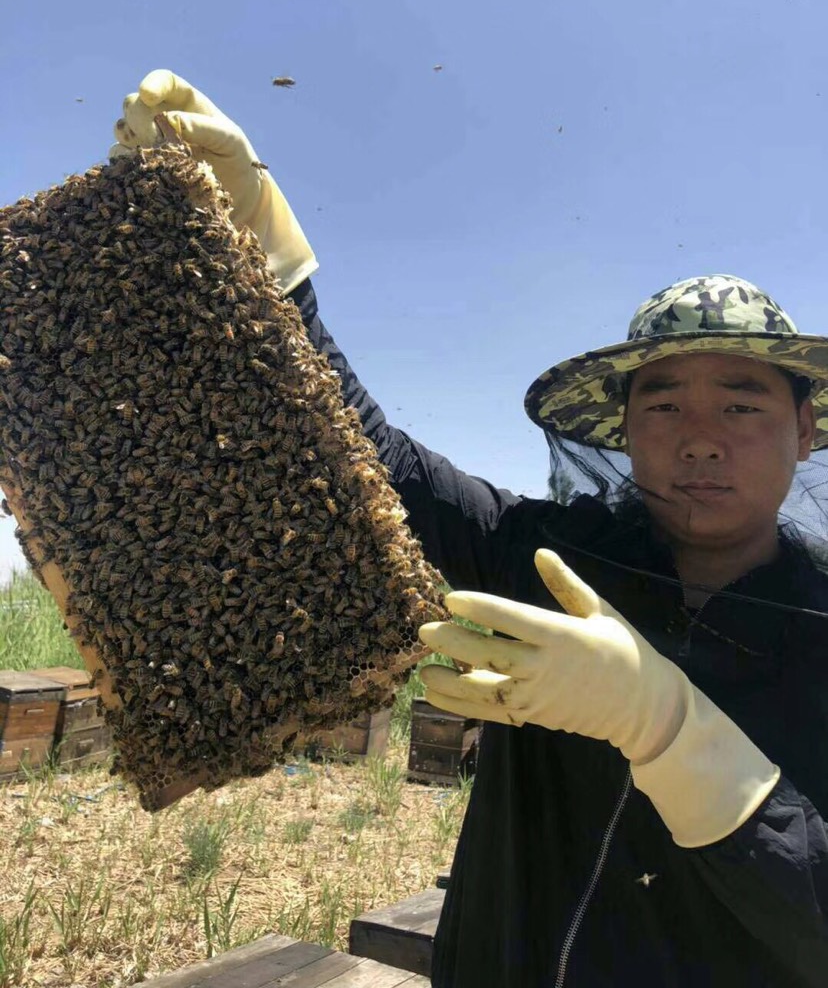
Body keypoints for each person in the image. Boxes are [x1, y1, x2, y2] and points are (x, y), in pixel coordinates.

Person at [111, 71, 828, 986]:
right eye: (664, 406)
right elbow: (380, 467)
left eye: (740, 406)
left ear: (804, 431)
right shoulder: (536, 555)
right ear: (623, 430)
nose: (699, 441)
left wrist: (671, 732)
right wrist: (273, 272)